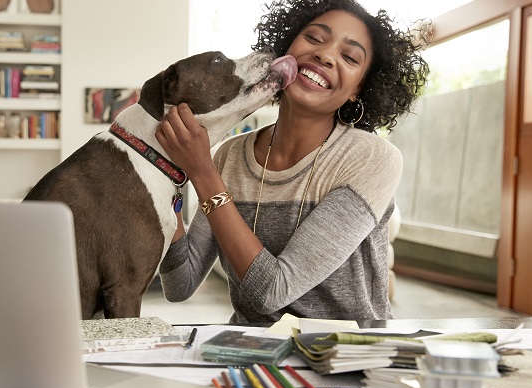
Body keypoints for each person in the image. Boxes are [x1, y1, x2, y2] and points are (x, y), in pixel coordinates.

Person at [154, 0, 430, 324]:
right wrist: (166, 180)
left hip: (344, 360)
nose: (325, 55)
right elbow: (179, 285)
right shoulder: (230, 155)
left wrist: (202, 171)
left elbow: (273, 291)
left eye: (349, 56)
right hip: (251, 354)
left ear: (359, 90)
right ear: (287, 51)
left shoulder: (371, 158)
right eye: (314, 38)